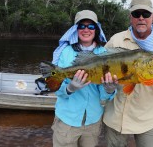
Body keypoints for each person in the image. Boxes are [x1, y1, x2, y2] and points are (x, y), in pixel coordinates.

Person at [103, 0, 153, 147]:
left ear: (152, 17)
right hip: (116, 116)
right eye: (136, 13)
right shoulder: (116, 40)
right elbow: (99, 67)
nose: (141, 18)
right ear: (130, 17)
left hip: (148, 120)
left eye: (145, 14)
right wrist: (106, 87)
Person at [51, 10, 118, 147]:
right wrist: (69, 88)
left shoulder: (105, 54)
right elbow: (55, 87)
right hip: (66, 121)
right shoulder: (64, 52)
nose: (86, 29)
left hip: (92, 122)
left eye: (91, 26)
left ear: (96, 30)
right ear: (76, 29)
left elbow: (104, 96)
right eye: (82, 26)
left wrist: (110, 90)